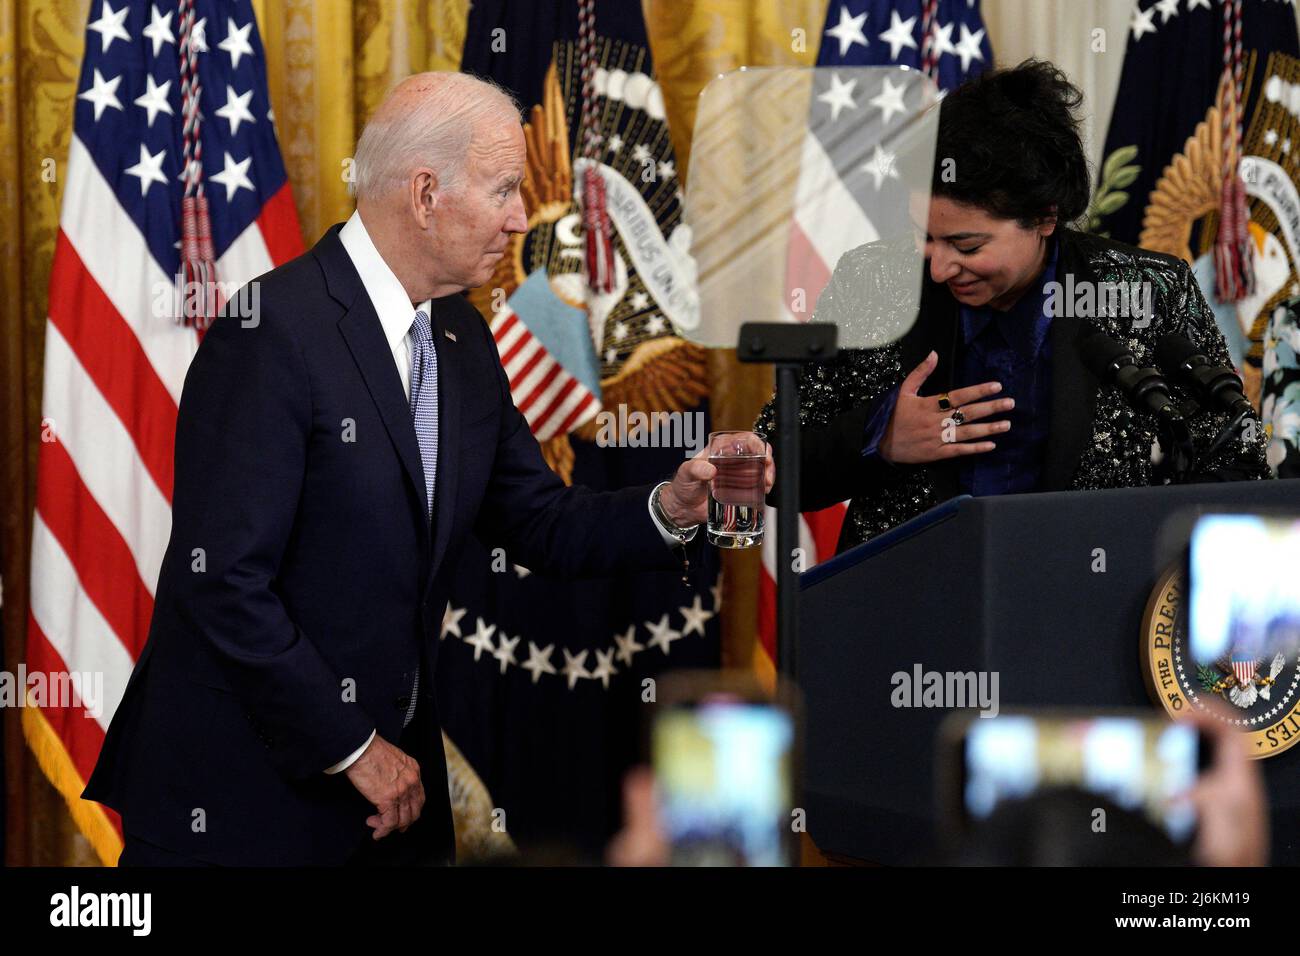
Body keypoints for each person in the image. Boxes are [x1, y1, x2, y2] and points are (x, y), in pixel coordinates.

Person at [83, 71, 773, 867]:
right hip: (244, 801)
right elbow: (224, 582)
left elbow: (539, 521)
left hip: (388, 800)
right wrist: (353, 747)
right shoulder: (271, 333)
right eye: (505, 190)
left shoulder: (460, 339)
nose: (521, 218)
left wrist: (673, 506)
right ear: (424, 194)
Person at [757, 60, 1269, 553]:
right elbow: (773, 462)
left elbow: (1239, 462)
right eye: (923, 237)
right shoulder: (873, 282)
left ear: (1046, 218)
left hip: (1087, 612)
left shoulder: (1149, 291)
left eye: (967, 246)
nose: (937, 269)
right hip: (909, 615)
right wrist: (880, 436)